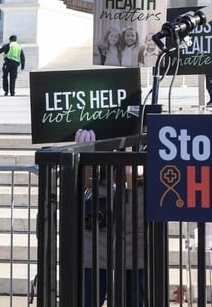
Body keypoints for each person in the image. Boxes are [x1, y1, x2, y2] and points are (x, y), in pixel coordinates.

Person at [75, 128, 147, 306]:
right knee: (88, 297)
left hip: (133, 244)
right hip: (94, 242)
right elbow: (80, 189)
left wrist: (134, 177)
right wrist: (85, 158)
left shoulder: (145, 138)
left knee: (134, 298)